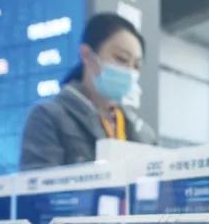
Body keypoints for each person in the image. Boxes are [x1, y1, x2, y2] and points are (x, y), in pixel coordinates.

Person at [19, 13, 156, 169]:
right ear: (87, 55)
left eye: (136, 66)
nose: (129, 71)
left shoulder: (143, 134)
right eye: (122, 59)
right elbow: (38, 181)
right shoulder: (49, 117)